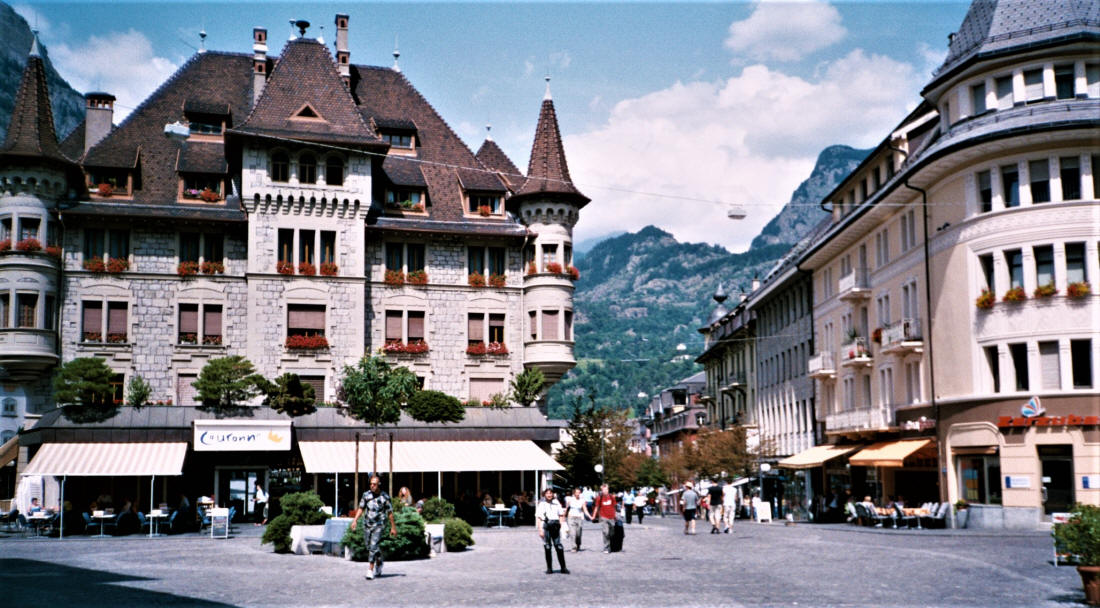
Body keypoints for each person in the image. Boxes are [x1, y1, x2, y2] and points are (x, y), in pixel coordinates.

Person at [358, 475, 397, 580]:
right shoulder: (366, 495)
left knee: (373, 546)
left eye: (374, 484)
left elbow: (390, 513)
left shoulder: (385, 497)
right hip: (367, 524)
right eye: (371, 484)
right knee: (369, 546)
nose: (372, 486)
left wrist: (393, 527)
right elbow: (361, 508)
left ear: (379, 484)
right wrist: (355, 520)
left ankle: (370, 570)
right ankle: (379, 562)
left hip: (379, 524)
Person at [535, 488, 569, 574]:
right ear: (544, 495)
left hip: (556, 525)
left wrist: (561, 525)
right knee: (547, 547)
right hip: (546, 525)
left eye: (550, 493)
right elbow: (538, 517)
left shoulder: (556, 503)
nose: (549, 495)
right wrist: (540, 530)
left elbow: (561, 515)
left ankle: (563, 567)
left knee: (559, 546)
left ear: (553, 494)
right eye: (547, 493)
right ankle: (549, 568)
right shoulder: (542, 504)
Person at [565, 487, 590, 552]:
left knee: (578, 534)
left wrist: (590, 516)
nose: (578, 494)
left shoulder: (582, 500)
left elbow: (585, 509)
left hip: (579, 518)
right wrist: (563, 517)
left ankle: (578, 544)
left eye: (579, 492)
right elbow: (566, 508)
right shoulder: (570, 499)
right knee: (572, 533)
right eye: (576, 492)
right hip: (571, 517)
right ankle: (573, 547)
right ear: (574, 493)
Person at [594, 484, 617, 553]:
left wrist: (615, 515)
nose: (605, 491)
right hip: (603, 517)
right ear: (601, 490)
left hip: (611, 517)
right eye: (603, 490)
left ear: (608, 489)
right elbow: (597, 507)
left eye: (606, 489)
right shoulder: (599, 498)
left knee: (612, 533)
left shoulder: (612, 497)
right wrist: (594, 516)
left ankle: (612, 545)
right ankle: (606, 548)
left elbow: (614, 506)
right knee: (605, 532)